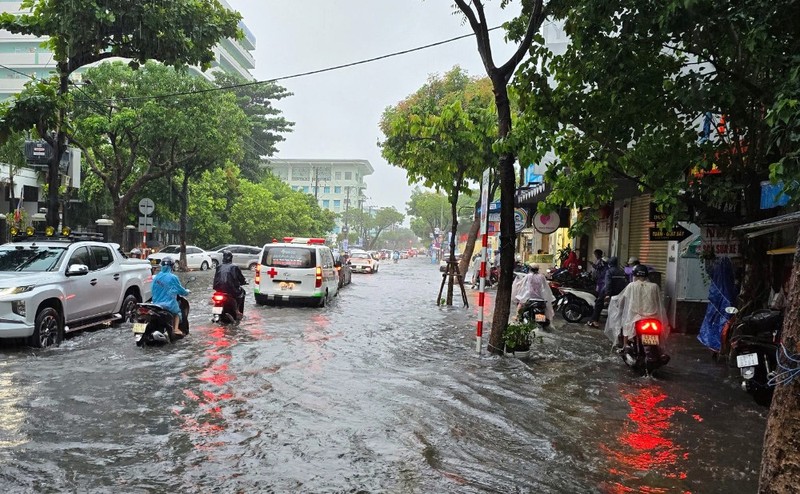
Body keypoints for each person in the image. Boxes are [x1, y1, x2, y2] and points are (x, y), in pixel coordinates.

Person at [605, 264, 668, 347]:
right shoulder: (655, 286)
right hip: (653, 318)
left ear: (634, 275)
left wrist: (615, 303)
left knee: (626, 328)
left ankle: (625, 347)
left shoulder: (631, 286)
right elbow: (659, 302)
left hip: (635, 318)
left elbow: (622, 299)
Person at [151, 256, 190, 336]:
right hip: (167, 303)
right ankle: (175, 329)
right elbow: (179, 289)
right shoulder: (173, 277)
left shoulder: (156, 277)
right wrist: (186, 292)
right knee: (177, 312)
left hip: (155, 303)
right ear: (172, 267)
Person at [587, 256, 627, 327]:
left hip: (610, 291)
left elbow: (608, 283)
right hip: (619, 292)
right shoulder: (621, 271)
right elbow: (625, 282)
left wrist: (607, 294)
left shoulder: (609, 271)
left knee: (599, 304)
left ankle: (594, 320)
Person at [213, 249, 247, 320]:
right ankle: (238, 311)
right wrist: (244, 282)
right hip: (231, 291)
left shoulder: (219, 266)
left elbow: (216, 278)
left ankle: (216, 315)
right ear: (231, 257)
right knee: (243, 292)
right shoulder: (235, 267)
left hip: (219, 290)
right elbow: (241, 278)